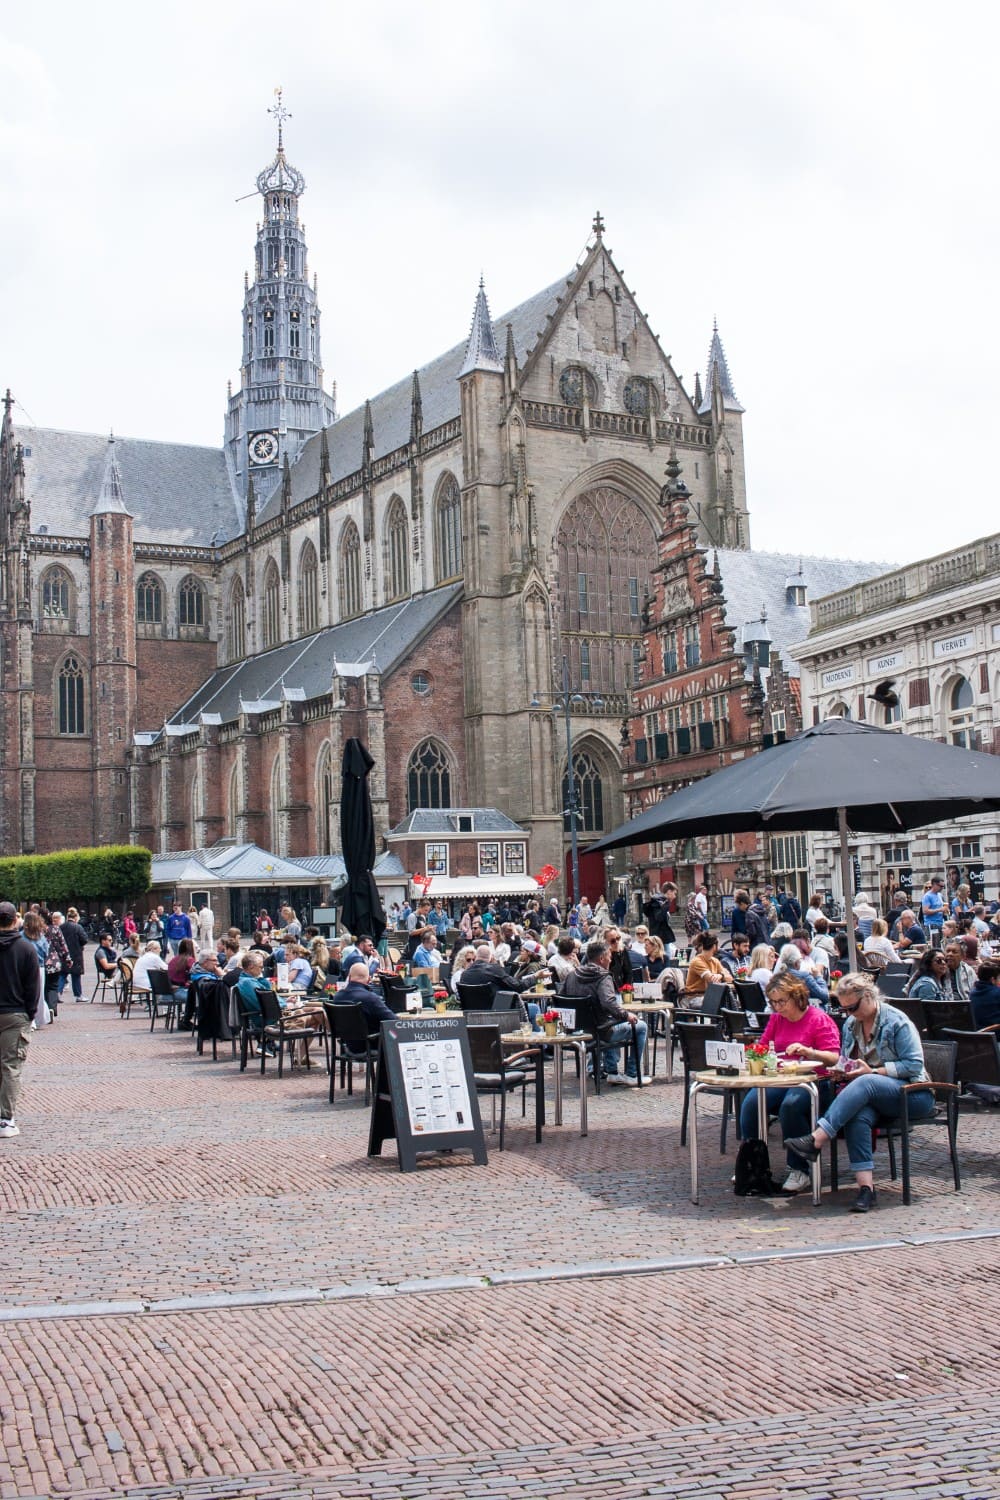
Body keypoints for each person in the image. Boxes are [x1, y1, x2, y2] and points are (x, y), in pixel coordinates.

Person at [784, 971, 934, 1213]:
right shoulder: (853, 1024)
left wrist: (873, 1072)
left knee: (866, 1082)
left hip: (913, 1093)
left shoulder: (897, 1021)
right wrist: (842, 1070)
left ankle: (817, 1139)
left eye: (852, 1007)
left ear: (868, 996)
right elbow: (847, 1060)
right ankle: (866, 1189)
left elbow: (914, 1065)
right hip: (875, 1096)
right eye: (845, 1010)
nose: (849, 1014)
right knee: (859, 1113)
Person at [739, 973, 842, 1192]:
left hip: (816, 1082)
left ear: (797, 997)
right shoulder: (777, 1019)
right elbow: (764, 1046)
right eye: (774, 1002)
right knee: (751, 1104)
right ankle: (753, 1165)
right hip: (783, 1078)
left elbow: (833, 1057)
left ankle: (800, 1169)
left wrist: (808, 1051)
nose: (778, 1007)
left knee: (790, 1107)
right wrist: (754, 1055)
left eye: (782, 1001)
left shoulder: (818, 1019)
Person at [558, 937, 649, 1084]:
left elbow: (560, 998)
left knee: (610, 1020)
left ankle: (612, 1070)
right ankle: (632, 1074)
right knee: (641, 1026)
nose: (610, 960)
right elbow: (608, 1003)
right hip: (600, 1032)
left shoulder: (572, 975)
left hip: (576, 1031)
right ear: (601, 958)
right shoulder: (603, 977)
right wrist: (626, 1014)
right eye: (609, 957)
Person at [0, 901, 41, 1138]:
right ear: (15, 920)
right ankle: (6, 1119)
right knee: (11, 1067)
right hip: (15, 1014)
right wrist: (30, 1014)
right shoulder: (26, 949)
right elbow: (33, 986)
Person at [330, 961, 396, 1045]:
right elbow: (392, 1020)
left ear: (349, 978)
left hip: (348, 1045)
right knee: (397, 1033)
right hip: (371, 1044)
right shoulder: (370, 998)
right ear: (368, 979)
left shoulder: (337, 997)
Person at [20, 912, 49, 1028]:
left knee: (24, 993)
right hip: (39, 968)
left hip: (24, 968)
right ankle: (39, 1019)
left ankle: (29, 1019)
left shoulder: (21, 936)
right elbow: (46, 952)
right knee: (39, 994)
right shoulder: (41, 937)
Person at [684, 932, 729, 997]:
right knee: (719, 1003)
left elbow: (730, 978)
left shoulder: (715, 961)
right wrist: (722, 975)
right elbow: (711, 979)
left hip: (709, 995)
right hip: (695, 997)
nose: (719, 947)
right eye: (718, 945)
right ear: (714, 946)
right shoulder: (696, 961)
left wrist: (721, 975)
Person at [59, 907, 89, 1001]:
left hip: (64, 953)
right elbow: (84, 939)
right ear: (76, 917)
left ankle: (57, 993)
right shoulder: (78, 927)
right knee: (76, 975)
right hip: (76, 953)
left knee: (63, 974)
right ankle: (78, 995)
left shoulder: (62, 926)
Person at [970, 960, 1000, 1029]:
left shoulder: (972, 993)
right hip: (996, 1035)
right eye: (998, 978)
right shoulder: (997, 993)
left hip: (978, 1035)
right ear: (992, 979)